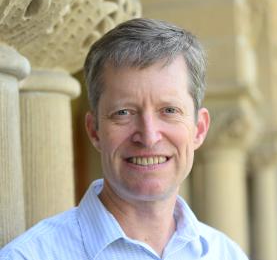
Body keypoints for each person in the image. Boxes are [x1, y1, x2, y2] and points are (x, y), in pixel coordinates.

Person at [0, 18, 249, 260]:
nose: (149, 137)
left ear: (199, 128)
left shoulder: (226, 254)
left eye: (169, 111)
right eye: (124, 113)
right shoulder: (29, 256)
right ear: (94, 130)